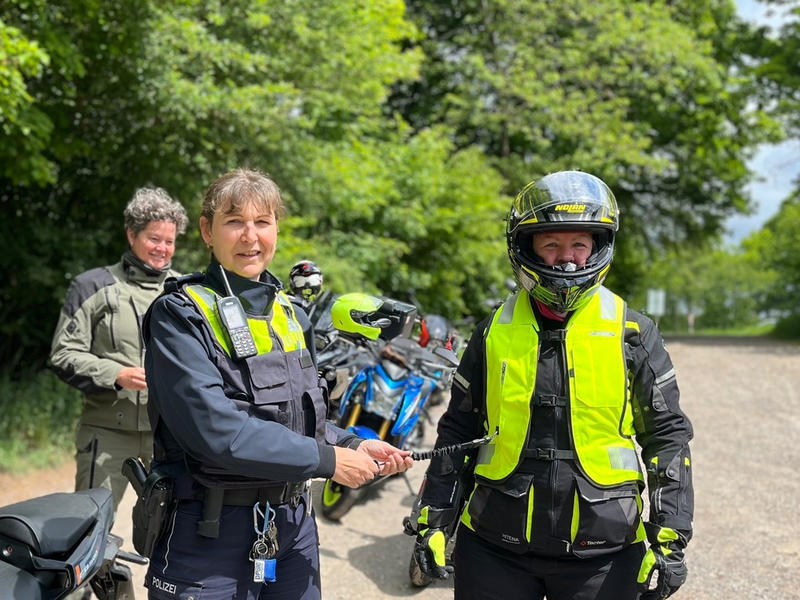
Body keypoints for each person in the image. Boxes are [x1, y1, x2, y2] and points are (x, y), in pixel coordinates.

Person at [411, 171, 694, 600]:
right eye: (551, 245)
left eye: (579, 244)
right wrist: (434, 521)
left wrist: (670, 535)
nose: (567, 260)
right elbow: (458, 430)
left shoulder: (633, 333)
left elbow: (667, 435)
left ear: (598, 246)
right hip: (493, 546)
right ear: (526, 247)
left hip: (605, 551)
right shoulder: (491, 331)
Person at [141, 168, 413, 599]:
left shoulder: (292, 314)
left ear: (276, 230)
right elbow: (216, 432)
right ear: (207, 231)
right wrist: (328, 461)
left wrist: (353, 444)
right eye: (234, 222)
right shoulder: (178, 315)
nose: (250, 236)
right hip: (208, 535)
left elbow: (302, 421)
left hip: (291, 527)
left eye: (262, 222)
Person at [50, 186, 188, 510]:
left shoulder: (186, 292)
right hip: (107, 431)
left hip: (169, 434)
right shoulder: (91, 285)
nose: (162, 248)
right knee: (90, 523)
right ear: (131, 234)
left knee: (172, 528)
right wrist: (116, 374)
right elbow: (62, 353)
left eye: (169, 241)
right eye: (154, 238)